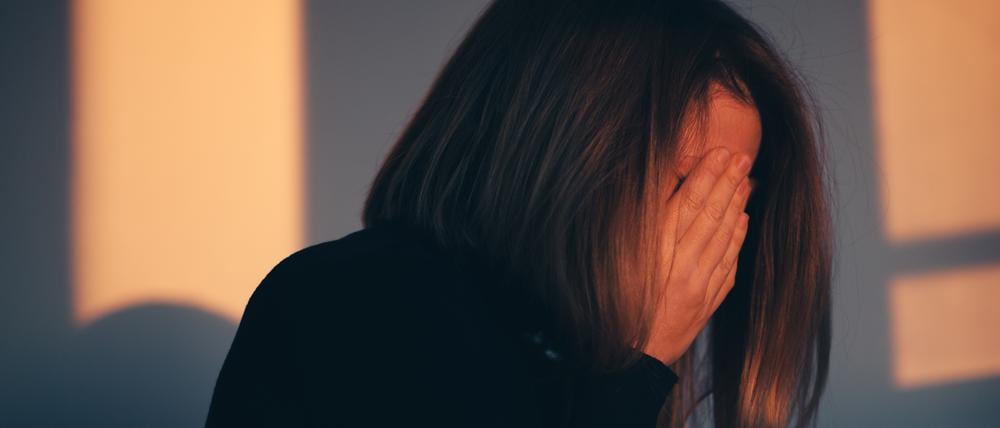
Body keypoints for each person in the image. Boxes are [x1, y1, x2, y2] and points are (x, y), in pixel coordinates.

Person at [205, 0, 833, 427]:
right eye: (688, 189)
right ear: (566, 151)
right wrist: (637, 368)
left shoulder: (584, 354)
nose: (707, 235)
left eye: (731, 200)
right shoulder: (350, 307)